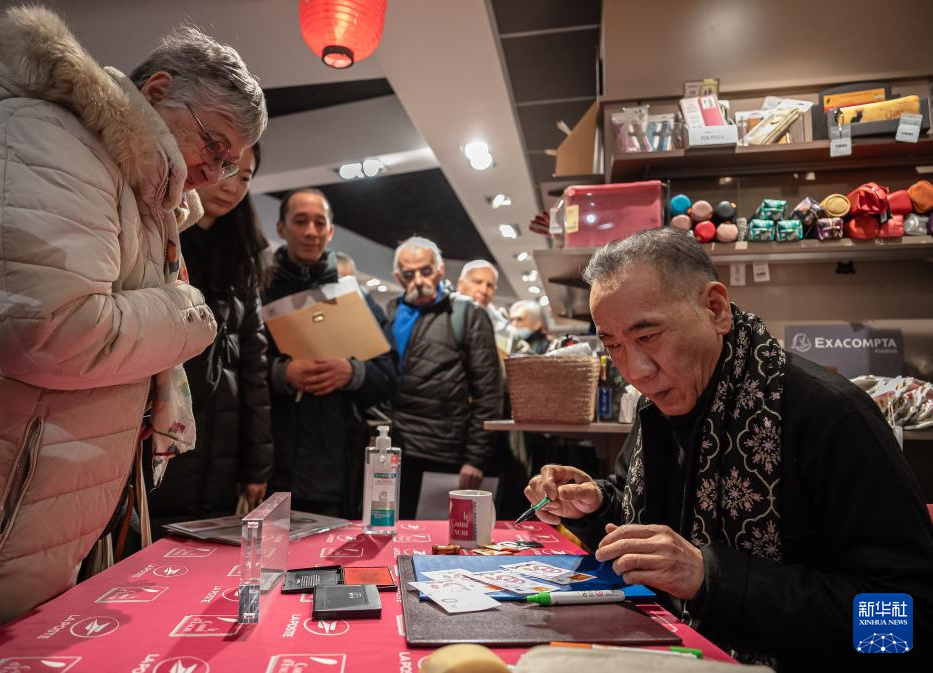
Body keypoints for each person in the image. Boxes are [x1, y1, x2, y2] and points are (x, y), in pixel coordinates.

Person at [0, 5, 266, 657]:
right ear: (157, 91)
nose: (213, 173)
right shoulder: (43, 139)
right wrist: (190, 312)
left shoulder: (122, 182)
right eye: (214, 146)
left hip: (9, 494)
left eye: (230, 165)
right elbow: (49, 334)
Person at [524, 227, 933, 670]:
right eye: (613, 346)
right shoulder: (655, 408)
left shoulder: (828, 415)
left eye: (648, 336)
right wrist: (596, 506)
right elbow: (643, 523)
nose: (636, 371)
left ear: (715, 309)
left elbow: (909, 624)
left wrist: (713, 578)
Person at [148, 143, 273, 538]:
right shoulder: (162, 243)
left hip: (224, 449)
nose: (232, 185)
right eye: (228, 168)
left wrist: (256, 465)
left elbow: (254, 371)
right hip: (164, 433)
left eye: (246, 177)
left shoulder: (244, 260)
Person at [263, 188, 397, 517]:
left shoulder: (355, 298)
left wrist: (353, 373)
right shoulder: (261, 292)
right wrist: (280, 373)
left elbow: (391, 375)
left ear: (330, 231)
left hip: (337, 469)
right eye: (300, 221)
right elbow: (236, 370)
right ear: (281, 228)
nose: (311, 231)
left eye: (319, 223)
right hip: (268, 467)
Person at [387, 238, 503, 519]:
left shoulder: (468, 313)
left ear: (440, 271)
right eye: (409, 273)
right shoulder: (390, 312)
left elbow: (489, 393)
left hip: (444, 455)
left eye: (426, 271)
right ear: (398, 277)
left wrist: (475, 458)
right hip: (393, 452)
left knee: (439, 540)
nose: (419, 280)